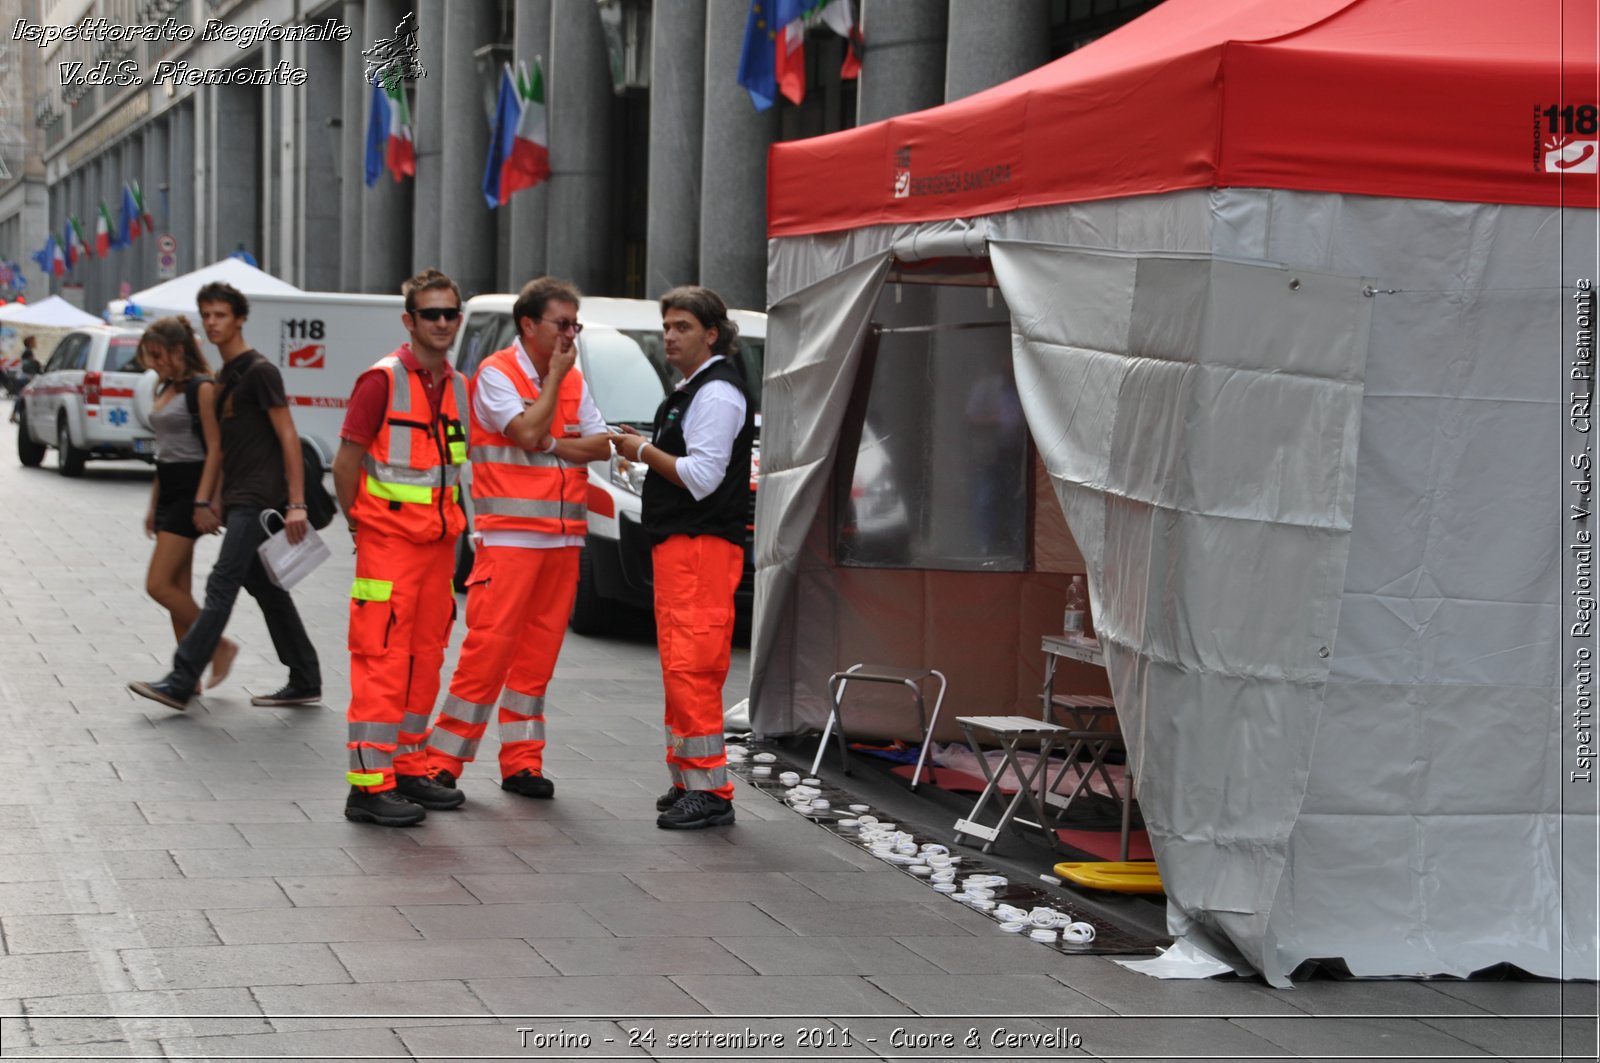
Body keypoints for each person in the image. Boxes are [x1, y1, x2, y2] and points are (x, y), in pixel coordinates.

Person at [425, 277, 609, 798]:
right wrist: (553, 395)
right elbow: (525, 434)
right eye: (562, 324)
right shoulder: (496, 373)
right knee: (487, 652)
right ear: (528, 325)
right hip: (509, 539)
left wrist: (553, 439)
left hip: (564, 537)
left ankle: (522, 763)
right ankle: (442, 762)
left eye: (576, 324)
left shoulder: (573, 378)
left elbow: (600, 444)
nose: (571, 334)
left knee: (537, 659)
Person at [128, 282, 321, 711]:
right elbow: (221, 448)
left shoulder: (259, 371)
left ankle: (180, 680)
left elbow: (288, 436)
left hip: (258, 497)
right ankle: (306, 676)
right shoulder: (226, 376)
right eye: (207, 315)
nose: (213, 323)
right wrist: (213, 498)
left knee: (221, 583)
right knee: (268, 589)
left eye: (221, 315)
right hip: (236, 496)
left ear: (239, 319)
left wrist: (295, 503)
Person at [610, 286, 753, 830]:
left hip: (700, 549)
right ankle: (689, 780)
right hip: (687, 548)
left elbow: (702, 477)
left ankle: (710, 788)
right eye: (667, 326)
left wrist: (642, 451)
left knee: (692, 665)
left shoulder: (715, 394)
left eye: (683, 327)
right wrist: (646, 456)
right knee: (681, 665)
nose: (670, 336)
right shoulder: (697, 391)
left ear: (711, 334)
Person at [333, 269, 470, 827]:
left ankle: (410, 765)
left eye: (450, 313)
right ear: (409, 321)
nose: (442, 322)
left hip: (438, 550)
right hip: (387, 548)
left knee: (424, 661)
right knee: (382, 663)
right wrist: (360, 528)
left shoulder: (456, 385)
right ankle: (368, 785)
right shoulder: (381, 381)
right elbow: (345, 465)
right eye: (431, 314)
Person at [138, 317, 238, 687]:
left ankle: (218, 645)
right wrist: (153, 505)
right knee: (177, 591)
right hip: (168, 490)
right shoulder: (165, 386)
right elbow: (164, 453)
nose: (153, 362)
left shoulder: (203, 388)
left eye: (158, 354)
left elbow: (216, 449)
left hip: (191, 493)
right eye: (149, 355)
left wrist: (205, 501)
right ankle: (187, 676)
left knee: (158, 585)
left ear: (179, 350)